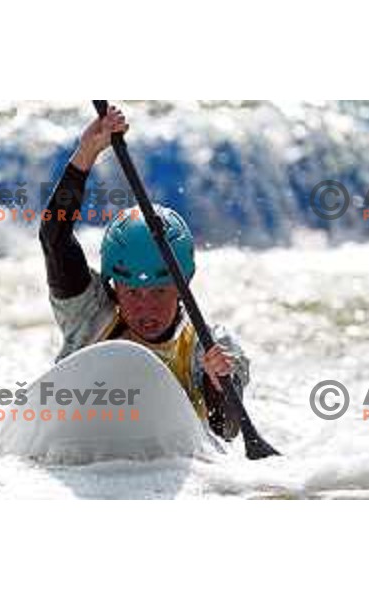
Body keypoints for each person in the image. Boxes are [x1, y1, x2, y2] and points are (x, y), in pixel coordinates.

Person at [39, 105, 250, 440]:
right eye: (133, 293)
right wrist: (87, 152)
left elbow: (227, 429)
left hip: (164, 466)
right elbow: (54, 236)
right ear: (114, 286)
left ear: (181, 288)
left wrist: (219, 386)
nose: (145, 307)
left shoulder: (208, 346)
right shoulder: (90, 313)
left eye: (158, 292)